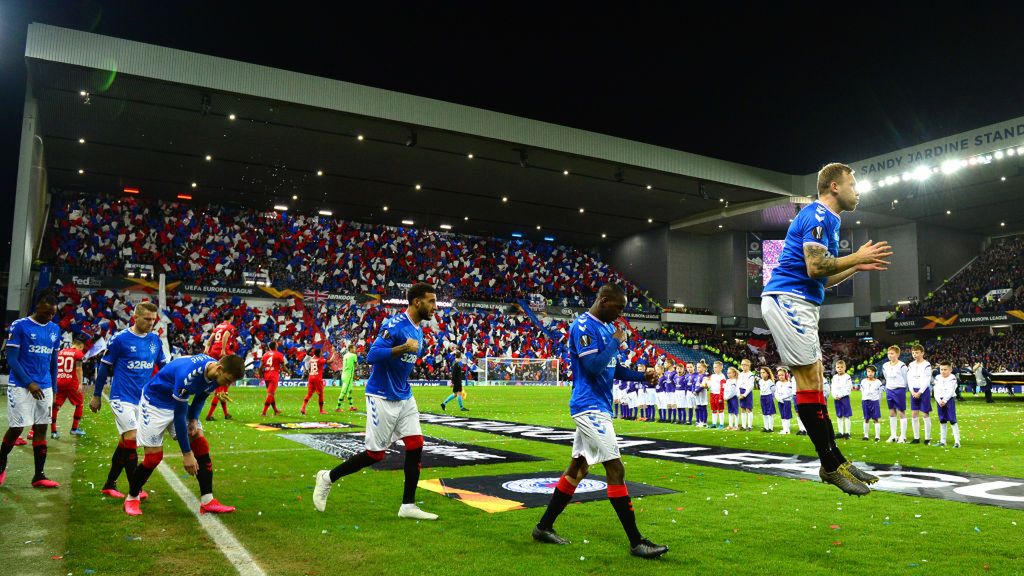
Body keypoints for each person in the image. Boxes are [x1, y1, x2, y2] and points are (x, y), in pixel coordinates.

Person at [761, 162, 890, 495]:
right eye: (853, 184)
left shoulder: (828, 219)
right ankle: (830, 465)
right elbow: (816, 265)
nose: (857, 191)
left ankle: (835, 459)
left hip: (801, 300)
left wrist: (855, 265)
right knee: (808, 380)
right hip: (788, 299)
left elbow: (823, 276)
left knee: (816, 378)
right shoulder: (818, 216)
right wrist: (855, 256)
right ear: (834, 186)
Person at [530, 284, 667, 558]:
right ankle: (636, 542)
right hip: (588, 406)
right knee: (615, 469)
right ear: (603, 300)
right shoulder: (583, 326)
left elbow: (612, 368)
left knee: (578, 469)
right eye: (618, 307)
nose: (620, 314)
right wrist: (616, 340)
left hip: (600, 406)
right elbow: (592, 367)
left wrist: (643, 376)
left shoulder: (606, 328)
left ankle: (543, 527)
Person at [312, 283, 439, 520]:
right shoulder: (395, 325)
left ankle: (408, 506)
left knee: (416, 444)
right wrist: (402, 347)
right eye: (431, 301)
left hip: (404, 395)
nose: (435, 306)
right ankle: (327, 477)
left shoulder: (418, 330)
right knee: (375, 455)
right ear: (416, 302)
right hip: (381, 395)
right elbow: (371, 356)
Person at [125, 353, 243, 515]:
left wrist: (194, 419)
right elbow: (179, 417)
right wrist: (187, 454)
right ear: (220, 368)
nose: (228, 385)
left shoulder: (215, 374)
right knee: (153, 457)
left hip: (177, 401)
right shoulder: (189, 376)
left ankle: (207, 501)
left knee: (200, 442)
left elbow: (201, 397)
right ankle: (132, 498)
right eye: (228, 380)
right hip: (154, 404)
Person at [91, 301, 169, 499]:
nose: (151, 323)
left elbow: (164, 368)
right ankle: (136, 487)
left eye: (154, 319)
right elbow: (104, 367)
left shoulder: (155, 340)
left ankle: (109, 483)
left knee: (125, 443)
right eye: (147, 319)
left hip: (143, 400)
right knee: (132, 438)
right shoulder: (120, 339)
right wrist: (97, 395)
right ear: (135, 318)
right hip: (121, 397)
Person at [0, 292, 61, 488]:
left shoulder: (54, 330)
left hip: (45, 386)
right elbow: (12, 360)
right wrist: (29, 383)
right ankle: (1, 466)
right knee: (17, 428)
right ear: (37, 308)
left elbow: (53, 363)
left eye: (52, 314)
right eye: (45, 313)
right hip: (20, 385)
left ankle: (39, 476)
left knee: (41, 428)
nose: (49, 317)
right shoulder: (20, 326)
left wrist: (54, 387)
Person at [204, 311, 237, 421]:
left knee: (220, 380)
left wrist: (206, 350)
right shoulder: (230, 327)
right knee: (232, 371)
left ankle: (226, 414)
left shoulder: (218, 326)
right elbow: (225, 337)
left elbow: (210, 340)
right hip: (222, 352)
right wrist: (223, 350)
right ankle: (225, 390)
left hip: (213, 351)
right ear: (231, 317)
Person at [52, 336, 87, 439]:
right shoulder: (78, 353)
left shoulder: (61, 351)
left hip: (59, 381)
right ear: (81, 346)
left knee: (56, 406)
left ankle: (54, 432)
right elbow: (79, 369)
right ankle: (74, 429)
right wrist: (80, 383)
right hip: (72, 383)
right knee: (79, 404)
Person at [882, 345, 909, 443]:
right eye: (888, 353)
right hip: (889, 390)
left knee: (901, 412)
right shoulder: (885, 365)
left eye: (892, 353)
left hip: (899, 390)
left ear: (897, 354)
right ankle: (893, 435)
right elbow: (886, 377)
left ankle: (903, 436)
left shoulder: (902, 365)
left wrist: (902, 388)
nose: (889, 355)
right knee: (892, 412)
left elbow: (905, 378)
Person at [906, 344, 933, 445]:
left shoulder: (927, 364)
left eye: (916, 352)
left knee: (925, 413)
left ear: (922, 353)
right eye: (913, 353)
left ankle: (927, 438)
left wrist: (920, 392)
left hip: (923, 390)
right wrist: (912, 390)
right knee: (914, 414)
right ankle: (916, 438)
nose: (914, 354)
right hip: (914, 390)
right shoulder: (911, 365)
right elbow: (909, 378)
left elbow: (927, 379)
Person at [933, 361, 961, 448]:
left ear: (950, 370)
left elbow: (951, 390)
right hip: (939, 401)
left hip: (949, 400)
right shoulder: (937, 377)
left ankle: (957, 442)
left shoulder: (952, 378)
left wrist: (944, 400)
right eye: (941, 369)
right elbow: (935, 390)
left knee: (952, 420)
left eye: (945, 369)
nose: (943, 371)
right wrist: (938, 400)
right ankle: (942, 441)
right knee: (942, 420)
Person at [260, 341, 286, 417]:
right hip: (273, 375)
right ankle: (263, 412)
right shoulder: (279, 354)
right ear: (275, 346)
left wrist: (260, 373)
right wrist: (288, 371)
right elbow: (283, 367)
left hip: (266, 375)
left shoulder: (265, 354)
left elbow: (261, 366)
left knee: (271, 394)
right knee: (270, 394)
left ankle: (275, 410)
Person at [830, 360, 853, 440]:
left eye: (841, 367)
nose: (840, 369)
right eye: (838, 367)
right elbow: (832, 388)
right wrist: (834, 395)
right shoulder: (834, 377)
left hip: (844, 398)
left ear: (845, 368)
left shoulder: (847, 377)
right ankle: (841, 432)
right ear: (836, 368)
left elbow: (848, 388)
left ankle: (847, 432)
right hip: (836, 398)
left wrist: (840, 395)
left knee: (846, 415)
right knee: (839, 415)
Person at [300, 348, 327, 415]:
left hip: (311, 377)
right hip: (317, 378)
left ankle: (303, 407)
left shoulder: (312, 359)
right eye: (321, 352)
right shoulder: (320, 360)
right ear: (319, 353)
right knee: (320, 394)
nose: (322, 353)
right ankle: (321, 410)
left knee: (309, 394)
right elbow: (330, 361)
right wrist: (334, 354)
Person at [860, 365, 883, 441]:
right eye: (868, 371)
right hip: (865, 401)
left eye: (872, 372)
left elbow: (880, 393)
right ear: (865, 372)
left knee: (876, 419)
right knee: (866, 418)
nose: (870, 373)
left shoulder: (878, 382)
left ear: (875, 373)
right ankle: (866, 435)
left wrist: (878, 403)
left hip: (874, 402)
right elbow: (862, 391)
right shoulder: (863, 381)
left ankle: (877, 436)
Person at [335, 344, 359, 412]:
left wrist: (353, 377)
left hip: (344, 375)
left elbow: (349, 366)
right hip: (348, 376)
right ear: (351, 349)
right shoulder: (353, 355)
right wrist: (355, 376)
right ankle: (337, 407)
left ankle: (351, 406)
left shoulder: (345, 355)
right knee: (344, 391)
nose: (355, 350)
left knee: (349, 391)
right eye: (354, 348)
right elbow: (356, 366)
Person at [774, 366, 794, 435]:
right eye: (779, 375)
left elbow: (789, 393)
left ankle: (787, 430)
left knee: (786, 415)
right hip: (780, 401)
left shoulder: (789, 383)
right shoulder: (777, 383)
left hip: (786, 401)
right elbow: (775, 392)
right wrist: (778, 398)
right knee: (782, 415)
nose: (780, 376)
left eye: (782, 375)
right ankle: (784, 429)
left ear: (786, 375)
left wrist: (782, 397)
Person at [737, 359, 756, 431]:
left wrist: (744, 395)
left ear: (748, 366)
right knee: (742, 409)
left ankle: (750, 426)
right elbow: (738, 384)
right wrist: (739, 394)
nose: (743, 366)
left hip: (747, 393)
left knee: (748, 409)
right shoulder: (740, 374)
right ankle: (744, 426)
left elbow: (751, 386)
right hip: (740, 391)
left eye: (745, 365)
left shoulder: (750, 374)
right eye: (742, 364)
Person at [757, 366, 776, 432]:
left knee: (769, 412)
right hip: (762, 397)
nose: (762, 374)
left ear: (767, 374)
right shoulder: (760, 381)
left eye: (763, 372)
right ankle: (766, 427)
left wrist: (772, 398)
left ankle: (770, 428)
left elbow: (773, 391)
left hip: (769, 397)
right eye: (761, 373)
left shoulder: (770, 382)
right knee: (764, 412)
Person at [708, 361, 726, 429]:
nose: (714, 369)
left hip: (719, 395)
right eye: (713, 367)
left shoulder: (722, 377)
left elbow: (723, 388)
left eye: (716, 367)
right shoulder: (712, 376)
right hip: (712, 394)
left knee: (720, 410)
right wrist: (707, 385)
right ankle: (714, 423)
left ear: (721, 368)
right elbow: (709, 384)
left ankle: (721, 424)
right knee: (714, 410)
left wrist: (721, 397)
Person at [724, 366, 740, 431]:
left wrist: (727, 397)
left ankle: (736, 425)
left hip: (733, 397)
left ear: (734, 373)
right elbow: (725, 389)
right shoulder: (728, 381)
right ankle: (730, 425)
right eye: (728, 373)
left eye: (730, 373)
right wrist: (725, 396)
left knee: (735, 411)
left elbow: (733, 391)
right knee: (730, 411)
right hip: (728, 398)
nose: (728, 374)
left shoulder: (735, 381)